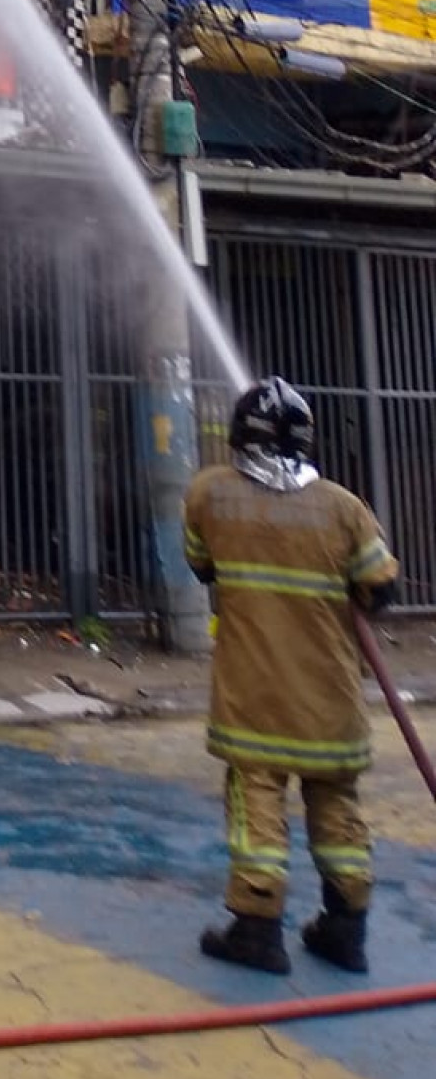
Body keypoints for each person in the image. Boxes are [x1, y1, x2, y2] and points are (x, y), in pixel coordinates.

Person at [183, 375, 399, 976]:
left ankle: (257, 930)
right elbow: (380, 588)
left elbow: (201, 564)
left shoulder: (210, 494)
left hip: (254, 698)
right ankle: (346, 928)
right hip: (329, 698)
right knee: (336, 807)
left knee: (256, 803)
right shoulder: (344, 507)